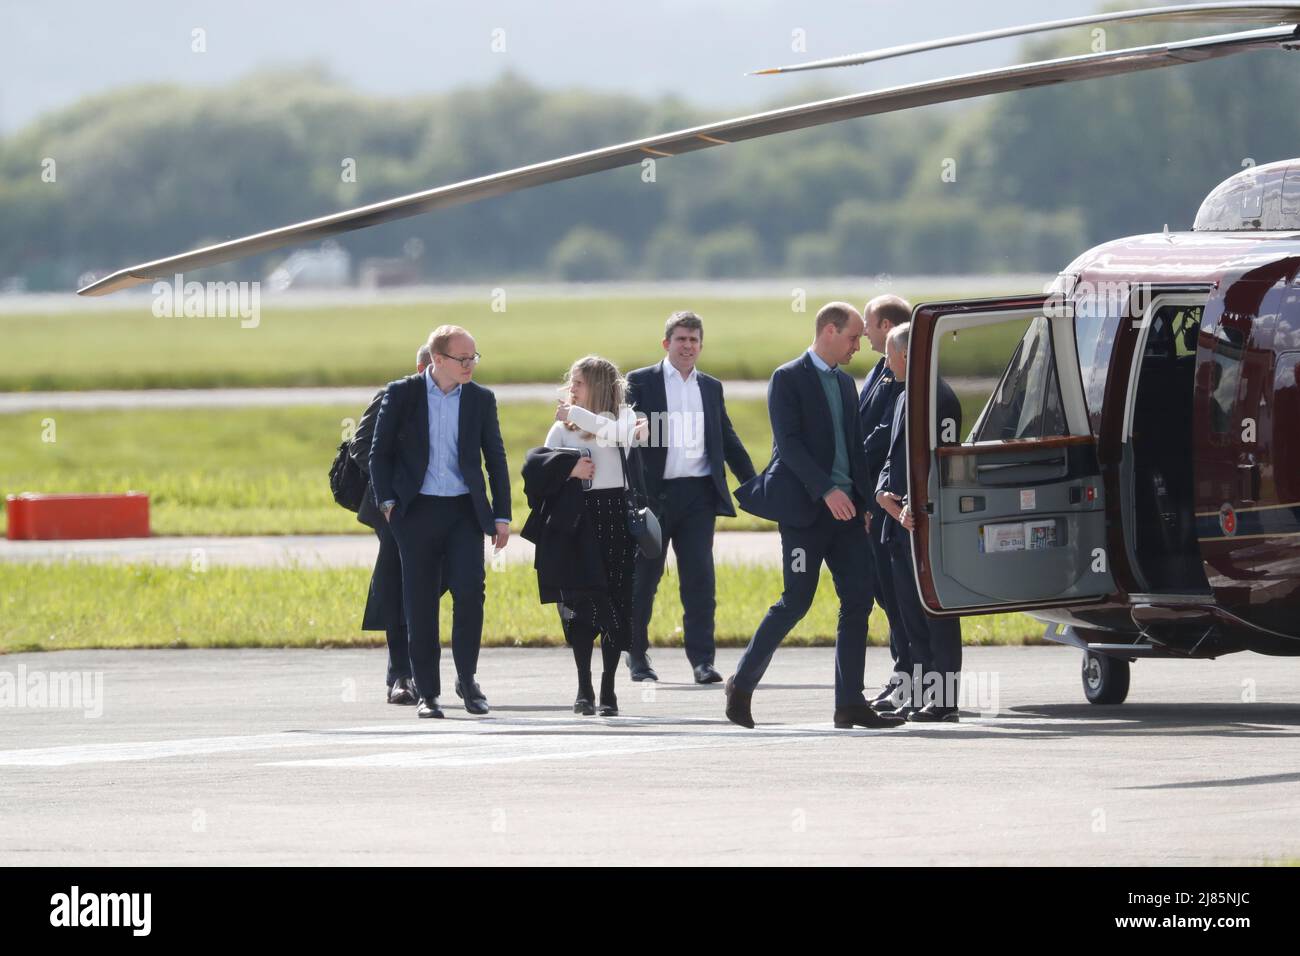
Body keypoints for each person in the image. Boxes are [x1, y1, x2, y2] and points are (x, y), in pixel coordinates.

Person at [728, 302, 904, 730]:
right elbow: (788, 446)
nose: (858, 346)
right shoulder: (787, 379)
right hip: (806, 514)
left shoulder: (846, 384)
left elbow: (857, 451)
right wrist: (826, 491)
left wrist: (861, 503)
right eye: (852, 337)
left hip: (846, 516)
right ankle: (742, 683)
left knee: (859, 599)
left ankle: (850, 703)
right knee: (796, 602)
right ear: (828, 331)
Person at [369, 325, 511, 719]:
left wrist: (501, 515)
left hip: (464, 512)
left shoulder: (481, 399)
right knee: (419, 602)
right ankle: (427, 693)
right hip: (415, 513)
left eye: (473, 358)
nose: (470, 365)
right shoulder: (402, 394)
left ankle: (467, 679)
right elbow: (378, 454)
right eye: (462, 359)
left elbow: (495, 460)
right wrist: (388, 505)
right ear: (437, 360)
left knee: (470, 593)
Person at [624, 311, 756, 684]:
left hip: (698, 495)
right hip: (654, 496)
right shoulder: (640, 382)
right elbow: (621, 434)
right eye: (681, 339)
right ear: (666, 343)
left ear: (701, 345)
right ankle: (636, 657)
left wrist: (753, 483)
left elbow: (726, 439)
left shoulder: (710, 387)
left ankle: (702, 661)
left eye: (694, 340)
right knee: (644, 579)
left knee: (700, 579)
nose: (688, 346)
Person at [535, 356, 646, 716]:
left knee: (616, 604)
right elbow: (541, 474)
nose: (571, 389)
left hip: (615, 518)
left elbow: (614, 433)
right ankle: (584, 684)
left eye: (579, 383)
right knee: (580, 608)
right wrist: (569, 470)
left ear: (597, 386)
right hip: (577, 522)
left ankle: (609, 687)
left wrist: (574, 413)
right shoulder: (562, 430)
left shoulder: (625, 418)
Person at [874, 322, 964, 722]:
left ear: (907, 355)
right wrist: (883, 495)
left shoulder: (939, 399)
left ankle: (944, 700)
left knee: (936, 615)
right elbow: (894, 458)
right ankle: (920, 692)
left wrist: (916, 504)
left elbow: (942, 461)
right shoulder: (903, 399)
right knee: (910, 617)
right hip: (899, 526)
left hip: (927, 525)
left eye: (889, 354)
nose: (885, 361)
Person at [350, 342, 432, 705]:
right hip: (396, 509)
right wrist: (395, 490)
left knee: (441, 587)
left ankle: (458, 673)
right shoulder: (393, 396)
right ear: (421, 368)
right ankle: (401, 673)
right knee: (399, 588)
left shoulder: (463, 401)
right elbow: (362, 446)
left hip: (444, 509)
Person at [856, 295, 911, 711]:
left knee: (896, 594)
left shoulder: (901, 376)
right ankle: (902, 670)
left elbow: (880, 436)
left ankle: (908, 672)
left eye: (869, 324)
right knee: (884, 592)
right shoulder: (883, 367)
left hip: (885, 500)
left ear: (887, 325)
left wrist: (848, 455)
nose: (863, 332)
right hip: (874, 497)